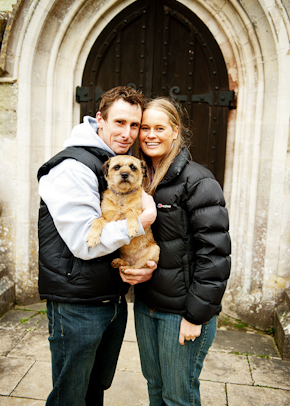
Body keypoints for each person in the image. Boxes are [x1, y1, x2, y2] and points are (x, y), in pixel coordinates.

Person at [37, 86, 157, 406]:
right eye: (119, 122)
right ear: (100, 119)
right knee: (70, 396)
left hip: (108, 298)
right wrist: (141, 221)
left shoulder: (113, 161)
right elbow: (84, 243)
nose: (128, 133)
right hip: (77, 303)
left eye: (134, 125)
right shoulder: (73, 166)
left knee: (92, 392)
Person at [121, 97, 231, 406]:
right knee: (156, 388)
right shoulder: (138, 178)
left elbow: (215, 256)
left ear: (175, 131)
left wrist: (196, 316)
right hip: (147, 307)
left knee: (178, 397)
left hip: (182, 313)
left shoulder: (198, 181)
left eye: (160, 127)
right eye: (145, 127)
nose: (150, 135)